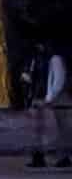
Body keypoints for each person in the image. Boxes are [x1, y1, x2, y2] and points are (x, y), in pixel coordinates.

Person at [25, 40, 71, 169]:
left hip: (53, 100)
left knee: (57, 130)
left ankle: (63, 157)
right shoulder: (38, 59)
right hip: (39, 97)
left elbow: (58, 81)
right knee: (38, 129)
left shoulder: (54, 59)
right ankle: (39, 156)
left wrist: (49, 98)